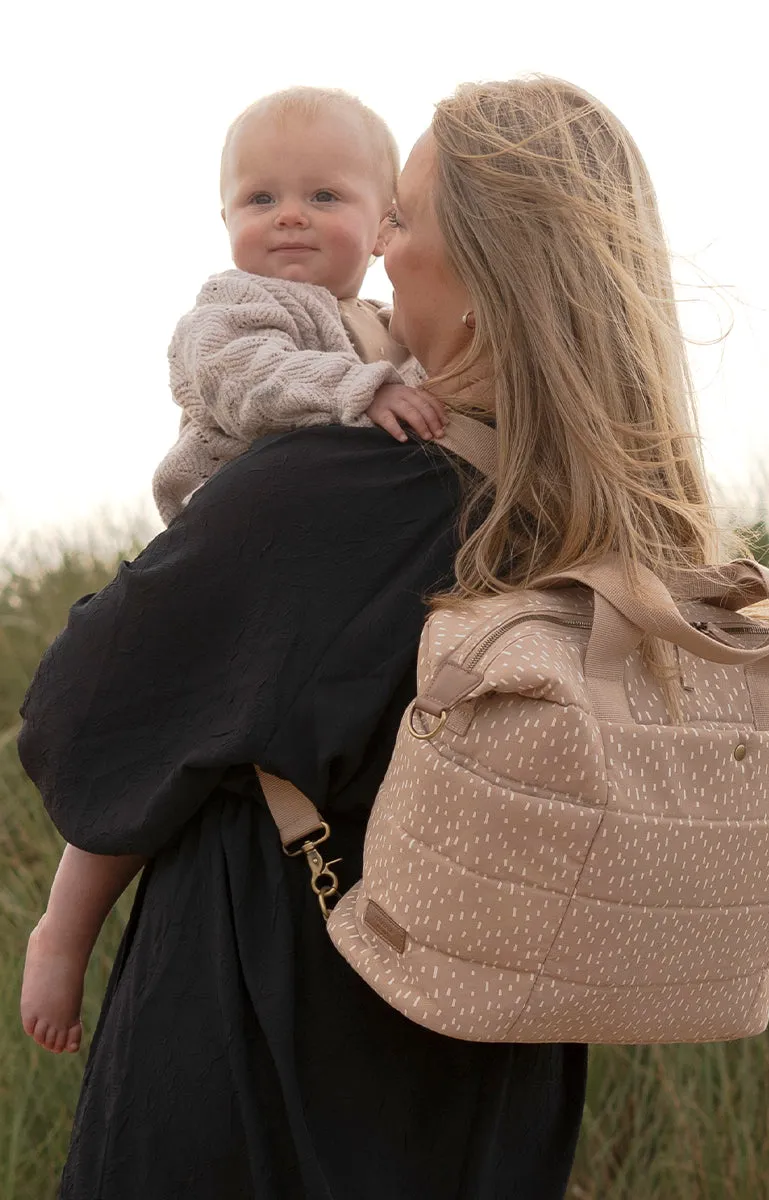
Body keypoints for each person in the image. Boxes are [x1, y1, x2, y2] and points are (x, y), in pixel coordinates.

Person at [18, 74, 720, 1199]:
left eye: (401, 219)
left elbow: (81, 716)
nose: (383, 254)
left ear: (486, 284)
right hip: (489, 1079)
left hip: (266, 1051)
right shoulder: (612, 527)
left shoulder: (340, 490)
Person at [20, 85, 445, 1057]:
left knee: (211, 760)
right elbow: (238, 375)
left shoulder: (383, 329)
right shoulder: (240, 308)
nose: (288, 216)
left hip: (304, 593)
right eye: (259, 199)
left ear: (385, 225)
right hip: (216, 564)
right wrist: (358, 388)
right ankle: (66, 925)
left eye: (323, 197)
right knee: (153, 752)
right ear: (225, 222)